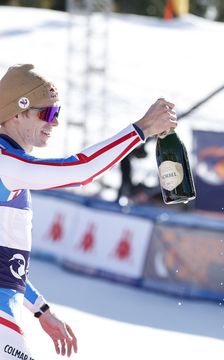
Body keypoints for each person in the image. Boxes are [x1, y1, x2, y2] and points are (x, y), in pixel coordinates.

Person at [0, 64, 177, 358]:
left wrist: (40, 308)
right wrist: (142, 129)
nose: (54, 123)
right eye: (47, 113)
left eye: (57, 114)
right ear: (17, 112)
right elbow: (80, 170)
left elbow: (6, 266)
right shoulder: (7, 164)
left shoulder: (11, 167)